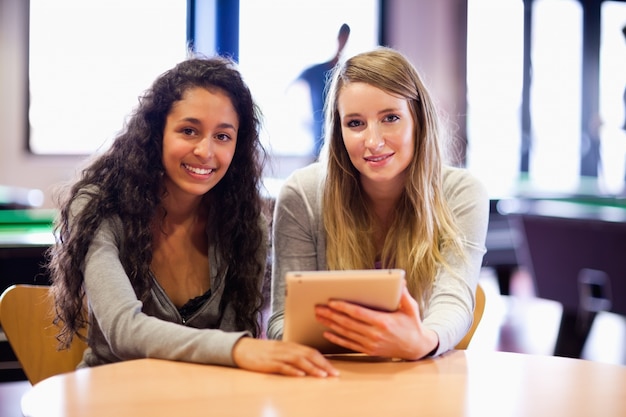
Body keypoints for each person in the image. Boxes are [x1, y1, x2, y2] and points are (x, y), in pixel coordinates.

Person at [46, 55, 338, 378]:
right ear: (157, 133)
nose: (206, 151)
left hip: (208, 399)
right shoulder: (99, 206)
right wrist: (240, 348)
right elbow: (123, 331)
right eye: (189, 131)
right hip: (113, 396)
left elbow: (232, 336)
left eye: (223, 136)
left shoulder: (245, 221)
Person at [268, 47, 489, 360]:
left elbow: (454, 302)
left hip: (418, 374)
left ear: (419, 120)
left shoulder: (462, 193)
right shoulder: (302, 194)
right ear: (338, 131)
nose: (373, 141)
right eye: (355, 124)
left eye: (391, 118)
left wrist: (421, 340)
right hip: (330, 378)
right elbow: (280, 322)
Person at [294, 23, 351, 158]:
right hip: (318, 141)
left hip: (340, 142)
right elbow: (293, 89)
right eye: (342, 38)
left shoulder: (347, 73)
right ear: (338, 38)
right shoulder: (315, 71)